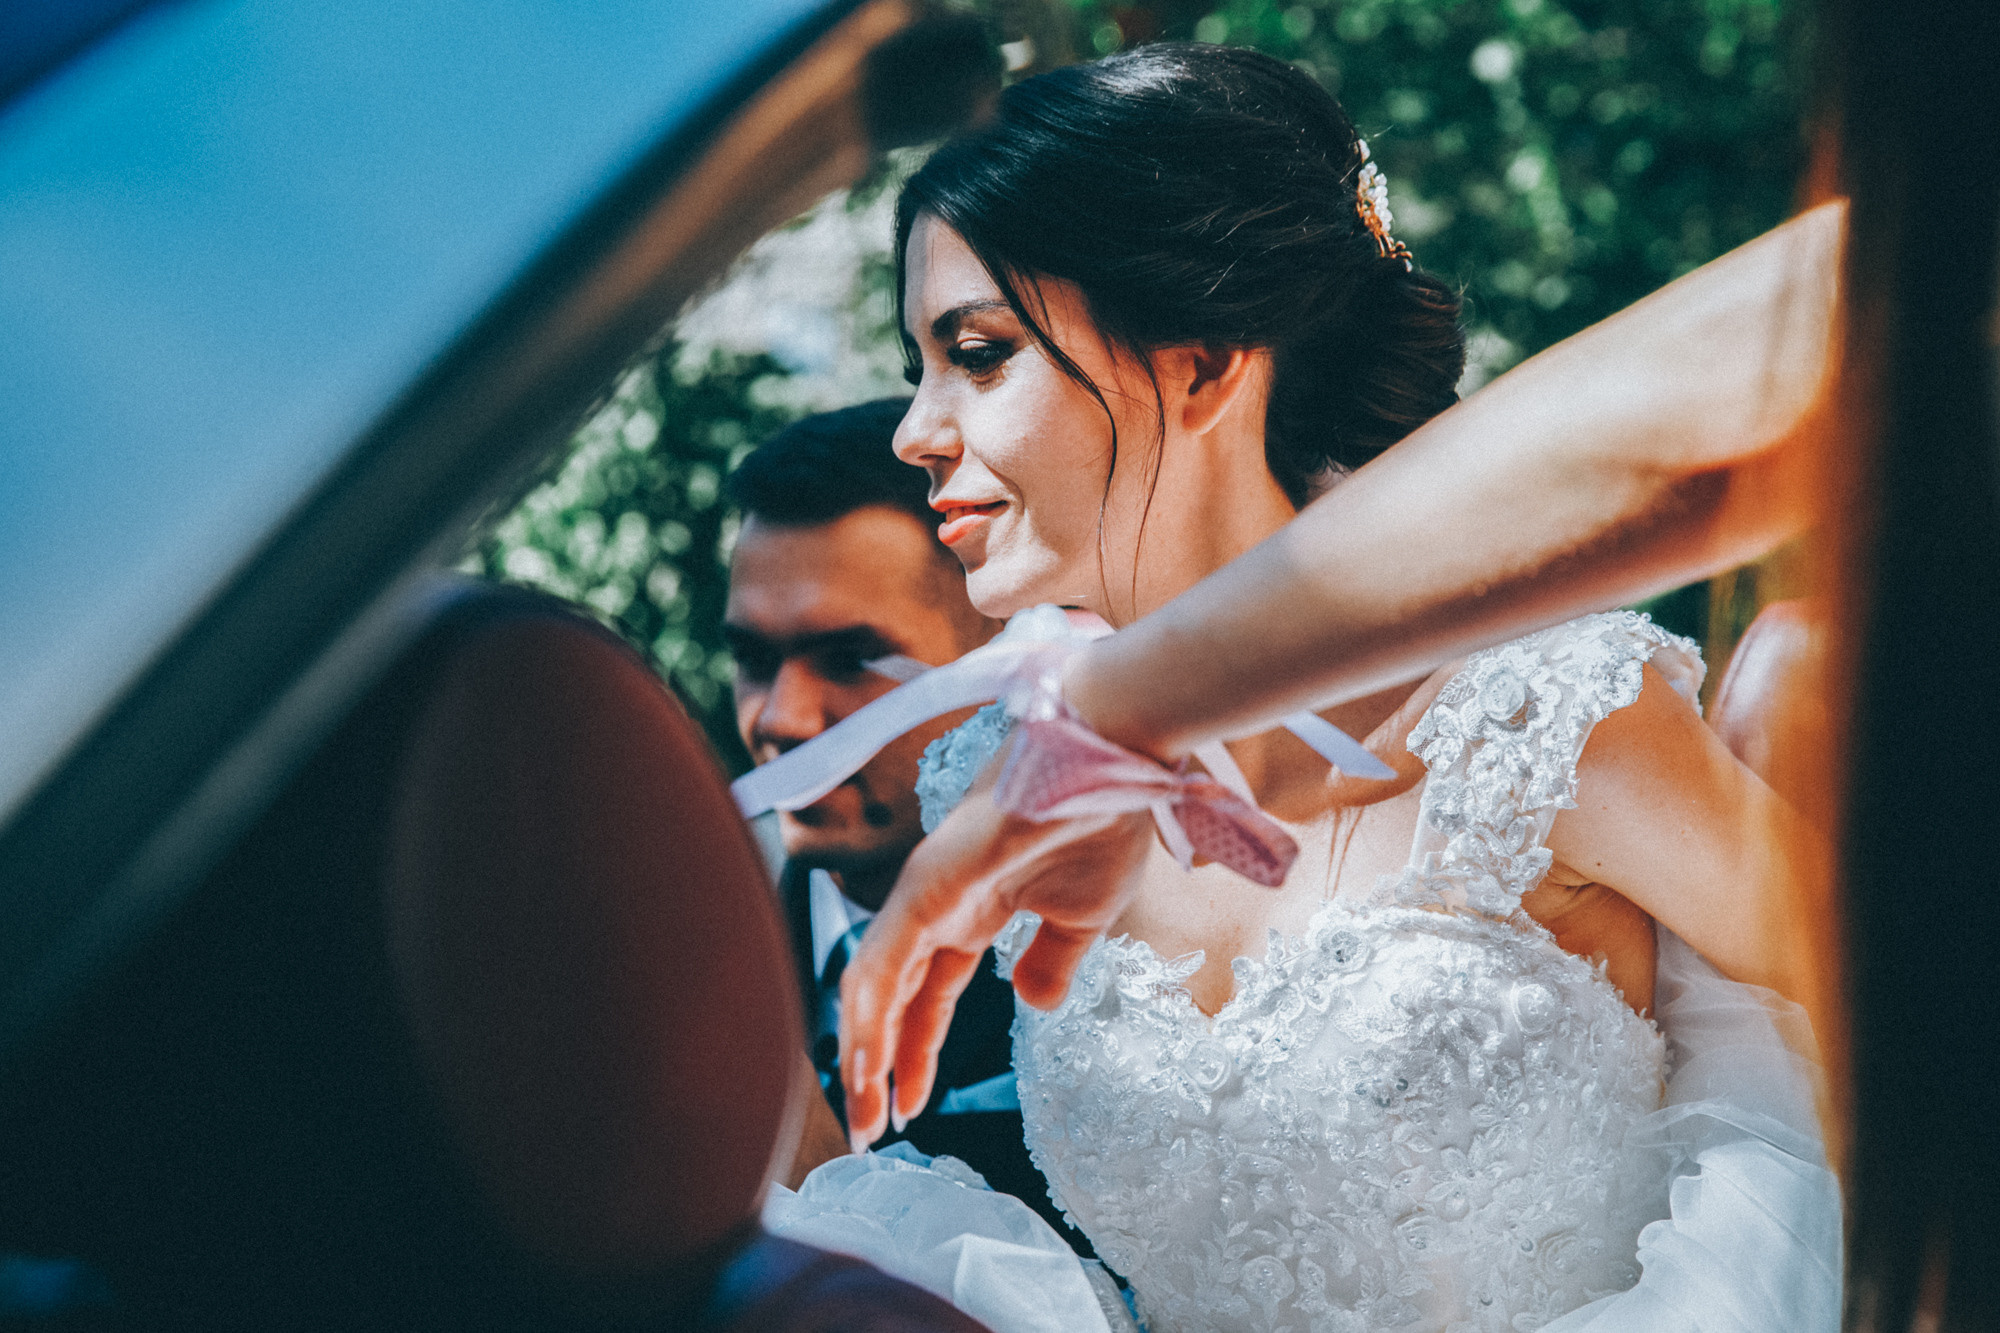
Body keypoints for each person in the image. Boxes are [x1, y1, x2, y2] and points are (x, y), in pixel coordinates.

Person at [785, 44, 1844, 1333]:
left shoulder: (1545, 723)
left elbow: (1907, 1047)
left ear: (1201, 359)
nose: (914, 431)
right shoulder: (999, 776)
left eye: (979, 351)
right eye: (918, 367)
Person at [723, 400, 1084, 1245]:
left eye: (851, 660)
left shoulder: (1110, 946)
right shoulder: (701, 930)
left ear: (995, 654)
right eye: (751, 659)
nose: (782, 718)